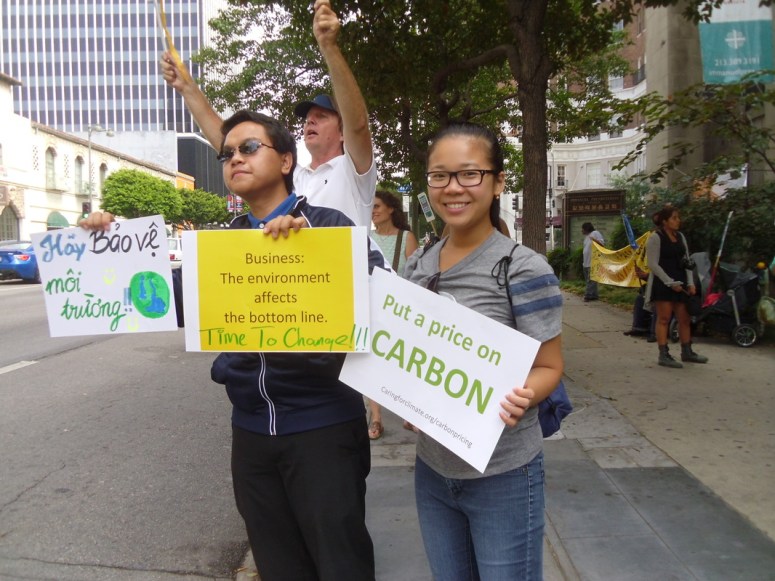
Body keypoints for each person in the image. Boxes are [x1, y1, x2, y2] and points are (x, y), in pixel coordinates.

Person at [81, 110, 386, 581]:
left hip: (323, 429)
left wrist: (310, 253)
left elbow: (380, 304)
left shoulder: (330, 226)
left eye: (249, 148)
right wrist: (108, 242)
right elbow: (159, 298)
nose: (235, 159)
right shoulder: (220, 247)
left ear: (286, 161)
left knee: (340, 564)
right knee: (278, 565)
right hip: (250, 434)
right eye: (227, 154)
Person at [403, 122, 564, 579]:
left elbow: (549, 366)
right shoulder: (417, 265)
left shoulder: (524, 268)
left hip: (504, 474)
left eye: (469, 174)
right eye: (440, 175)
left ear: (497, 183)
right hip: (433, 469)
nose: (453, 188)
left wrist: (523, 395)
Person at [160, 0, 377, 228]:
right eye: (307, 118)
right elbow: (229, 143)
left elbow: (358, 125)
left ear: (343, 132)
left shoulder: (353, 171)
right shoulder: (292, 176)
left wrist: (329, 48)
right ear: (285, 162)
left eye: (322, 116)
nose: (310, 121)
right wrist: (188, 88)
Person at [367, 190, 419, 439]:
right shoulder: (366, 237)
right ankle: (376, 418)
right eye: (371, 207)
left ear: (391, 209)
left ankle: (409, 415)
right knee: (372, 363)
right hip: (373, 307)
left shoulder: (407, 237)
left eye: (377, 206)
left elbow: (417, 276)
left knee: (404, 362)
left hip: (400, 310)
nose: (373, 211)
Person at [645, 206, 708, 368]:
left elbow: (687, 261)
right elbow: (652, 264)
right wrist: (669, 282)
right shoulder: (655, 238)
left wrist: (690, 282)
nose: (678, 221)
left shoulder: (680, 237)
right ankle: (663, 354)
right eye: (674, 218)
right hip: (663, 283)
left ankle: (687, 351)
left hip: (681, 283)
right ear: (665, 221)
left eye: (678, 217)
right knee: (664, 318)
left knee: (684, 318)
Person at [581, 222, 605, 302]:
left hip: (593, 261)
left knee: (590, 279)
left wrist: (594, 239)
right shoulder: (586, 237)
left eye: (583, 229)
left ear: (586, 228)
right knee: (590, 280)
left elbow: (602, 244)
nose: (582, 231)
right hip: (586, 262)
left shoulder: (595, 233)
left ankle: (588, 295)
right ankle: (594, 295)